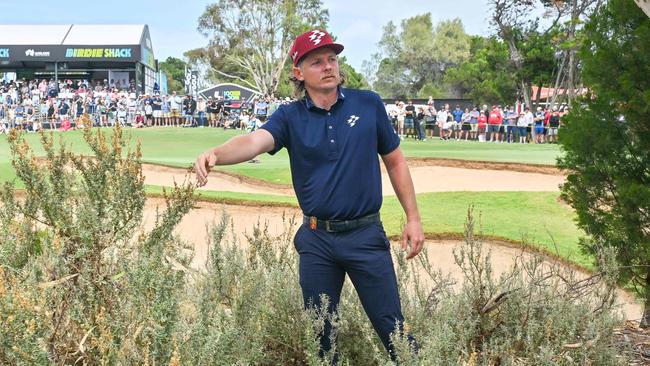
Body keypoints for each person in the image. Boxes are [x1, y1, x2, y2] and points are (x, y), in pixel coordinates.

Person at [194, 29, 423, 361]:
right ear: (298, 73)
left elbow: (395, 161)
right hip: (317, 240)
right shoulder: (290, 116)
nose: (328, 66)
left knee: (394, 331)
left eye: (332, 59)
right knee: (320, 336)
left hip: (365, 236)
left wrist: (413, 218)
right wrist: (216, 152)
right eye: (317, 61)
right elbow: (254, 141)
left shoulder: (368, 104)